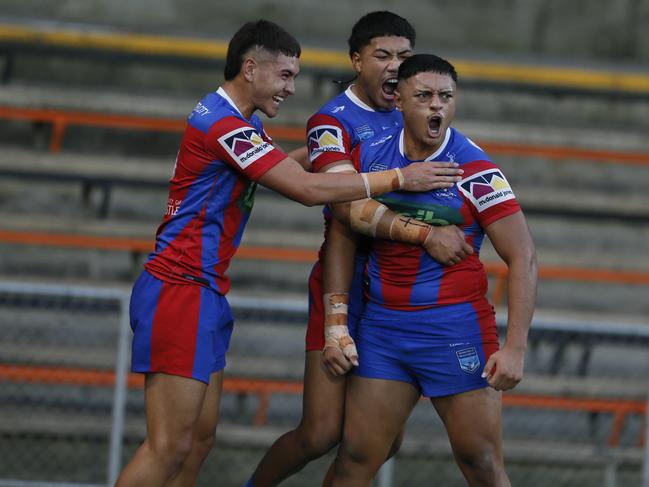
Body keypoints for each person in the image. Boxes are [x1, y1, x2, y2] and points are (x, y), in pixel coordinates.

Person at [114, 19, 461, 487]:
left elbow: (285, 166)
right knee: (169, 445)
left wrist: (331, 155)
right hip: (180, 285)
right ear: (251, 68)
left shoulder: (239, 121)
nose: (291, 90)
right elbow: (302, 188)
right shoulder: (223, 125)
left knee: (197, 441)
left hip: (204, 289)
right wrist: (398, 178)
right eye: (285, 76)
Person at [245, 12, 472, 487]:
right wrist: (426, 233)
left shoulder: (414, 109)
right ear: (357, 60)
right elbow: (347, 208)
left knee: (382, 443)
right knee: (320, 433)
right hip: (345, 279)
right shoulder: (332, 120)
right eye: (382, 55)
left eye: (404, 56)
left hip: (395, 290)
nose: (395, 66)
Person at [329, 54, 538, 487]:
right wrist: (337, 322)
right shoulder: (370, 158)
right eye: (424, 96)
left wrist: (515, 347)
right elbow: (342, 228)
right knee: (355, 457)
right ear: (400, 101)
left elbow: (523, 256)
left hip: (454, 329)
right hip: (384, 330)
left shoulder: (474, 168)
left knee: (480, 462)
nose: (436, 106)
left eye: (445, 97)